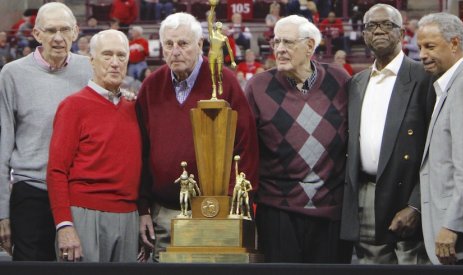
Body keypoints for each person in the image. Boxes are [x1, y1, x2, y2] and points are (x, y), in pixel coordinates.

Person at [136, 12, 259, 262]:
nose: (175, 51)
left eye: (183, 43)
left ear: (200, 45)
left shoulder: (225, 82)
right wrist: (143, 208)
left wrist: (231, 206)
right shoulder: (151, 86)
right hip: (165, 214)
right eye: (168, 44)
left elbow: (245, 146)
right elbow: (141, 150)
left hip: (215, 214)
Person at [245, 15, 350, 263]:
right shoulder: (257, 87)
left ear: (310, 46)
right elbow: (247, 150)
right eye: (276, 42)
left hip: (332, 212)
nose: (280, 49)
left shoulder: (340, 80)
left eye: (288, 43)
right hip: (277, 212)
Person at [340, 4, 433, 264]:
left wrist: (416, 204)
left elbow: (435, 148)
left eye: (386, 25)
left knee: (412, 262)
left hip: (408, 195)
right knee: (371, 264)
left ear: (402, 33)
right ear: (364, 34)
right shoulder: (356, 83)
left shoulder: (423, 77)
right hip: (366, 192)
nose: (378, 30)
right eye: (371, 25)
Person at [0, 2, 92, 260]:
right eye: (50, 30)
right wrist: (2, 212)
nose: (59, 38)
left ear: (75, 31)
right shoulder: (12, 74)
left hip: (78, 194)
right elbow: (2, 147)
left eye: (65, 30)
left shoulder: (91, 70)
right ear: (36, 34)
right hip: (31, 192)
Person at [46, 29, 141, 262]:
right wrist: (64, 225)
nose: (115, 63)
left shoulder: (134, 107)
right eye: (107, 55)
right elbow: (56, 170)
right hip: (84, 215)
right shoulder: (73, 106)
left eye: (121, 56)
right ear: (92, 60)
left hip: (129, 215)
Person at [417, 12, 463, 265]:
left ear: (455, 43)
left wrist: (453, 225)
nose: (422, 55)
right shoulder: (451, 83)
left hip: (461, 239)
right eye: (420, 47)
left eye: (430, 46)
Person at [208, 5, 236, 98]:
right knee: (212, 73)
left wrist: (231, 61)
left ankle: (220, 85)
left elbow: (231, 50)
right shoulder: (213, 36)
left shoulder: (226, 38)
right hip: (213, 57)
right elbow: (211, 49)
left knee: (220, 73)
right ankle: (213, 87)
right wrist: (212, 8)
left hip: (223, 59)